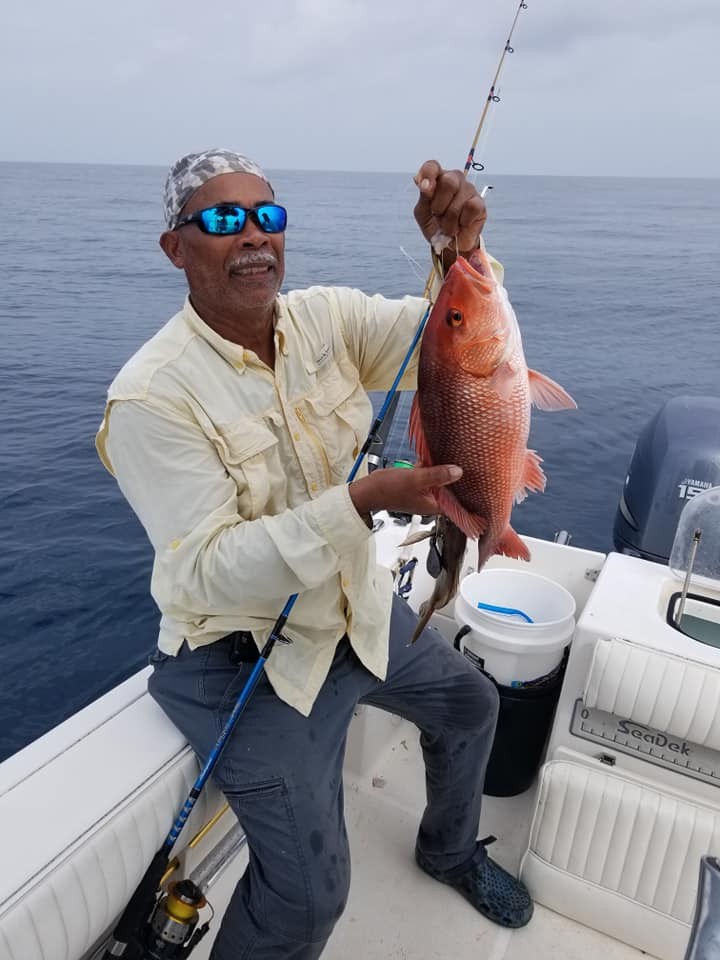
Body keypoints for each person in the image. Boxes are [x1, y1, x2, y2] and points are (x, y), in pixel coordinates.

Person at [96, 148, 533, 960]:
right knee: (310, 895)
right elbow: (206, 570)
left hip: (351, 613)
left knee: (473, 704)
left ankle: (447, 851)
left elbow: (450, 341)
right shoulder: (150, 397)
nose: (255, 236)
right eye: (224, 220)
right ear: (175, 247)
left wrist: (462, 253)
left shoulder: (325, 320)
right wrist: (362, 503)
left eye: (268, 215)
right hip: (243, 661)